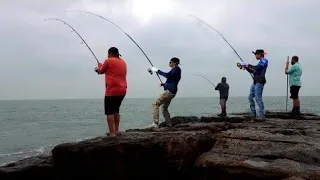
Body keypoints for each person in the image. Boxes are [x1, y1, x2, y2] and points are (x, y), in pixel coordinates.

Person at [94, 47, 127, 137]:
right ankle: (116, 130)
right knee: (116, 110)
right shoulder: (123, 62)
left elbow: (101, 71)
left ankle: (112, 133)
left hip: (112, 90)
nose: (107, 55)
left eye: (108, 54)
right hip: (122, 90)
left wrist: (99, 66)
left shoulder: (108, 61)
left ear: (110, 53)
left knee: (109, 112)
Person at [147, 57, 181, 128]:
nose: (169, 63)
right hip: (172, 92)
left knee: (155, 104)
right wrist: (164, 84)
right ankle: (169, 124)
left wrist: (157, 70)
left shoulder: (176, 69)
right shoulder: (175, 70)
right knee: (164, 108)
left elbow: (168, 75)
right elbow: (172, 81)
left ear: (174, 63)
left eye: (170, 62)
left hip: (169, 92)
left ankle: (155, 123)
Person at [239, 49, 268, 121]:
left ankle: (262, 117)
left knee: (258, 98)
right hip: (255, 82)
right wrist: (246, 67)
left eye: (256, 54)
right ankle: (253, 115)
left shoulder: (264, 60)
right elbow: (253, 71)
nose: (255, 55)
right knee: (250, 97)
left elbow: (257, 68)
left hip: (260, 82)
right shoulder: (259, 63)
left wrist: (248, 65)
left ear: (260, 54)